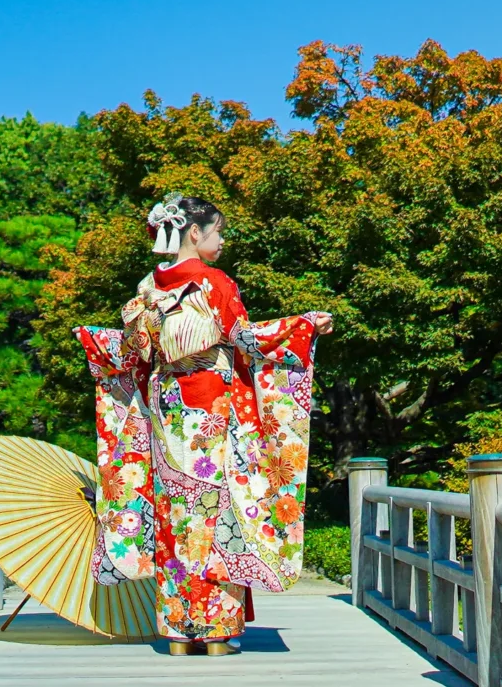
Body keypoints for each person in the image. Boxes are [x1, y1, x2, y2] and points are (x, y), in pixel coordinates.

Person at [77, 195, 332, 654]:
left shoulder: (147, 287)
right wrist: (304, 325)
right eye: (217, 231)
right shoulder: (215, 283)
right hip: (211, 404)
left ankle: (178, 632)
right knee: (220, 510)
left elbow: (134, 352)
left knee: (177, 514)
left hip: (165, 406)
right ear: (194, 233)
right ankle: (216, 634)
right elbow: (245, 339)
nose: (221, 240)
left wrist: (96, 341)